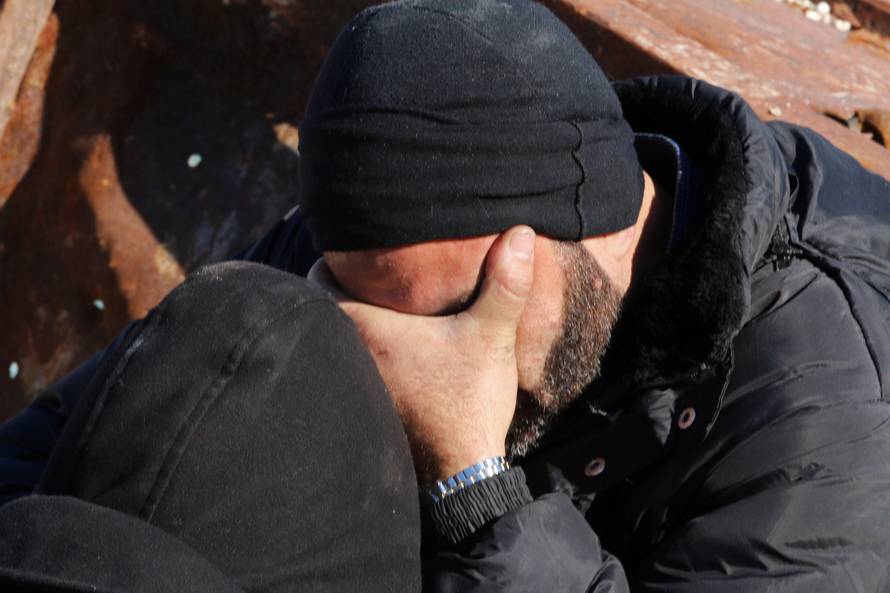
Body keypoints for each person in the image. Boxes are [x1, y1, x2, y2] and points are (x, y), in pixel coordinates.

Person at [3, 0, 890, 591]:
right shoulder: (397, 235)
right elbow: (50, 445)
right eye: (374, 314)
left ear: (573, 243)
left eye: (452, 318)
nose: (404, 354)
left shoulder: (828, 421)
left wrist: (473, 475)